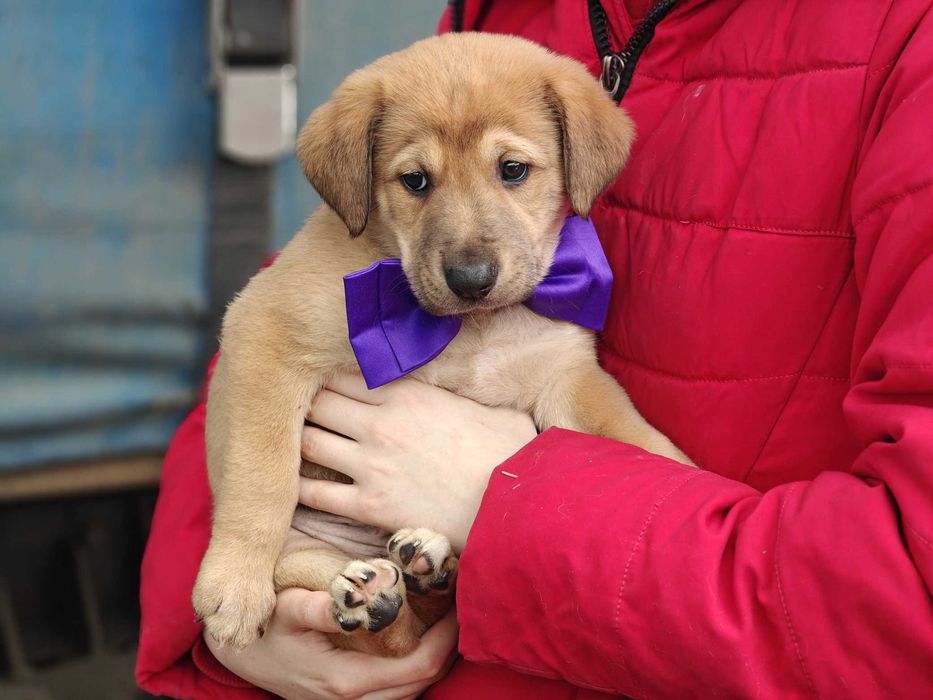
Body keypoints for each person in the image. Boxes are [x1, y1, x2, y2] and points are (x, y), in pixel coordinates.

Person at [136, 0, 933, 697]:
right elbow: (257, 352)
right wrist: (234, 593)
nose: (468, 252)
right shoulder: (499, 18)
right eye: (417, 183)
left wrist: (509, 495)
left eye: (512, 171)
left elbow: (898, 605)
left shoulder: (901, 41)